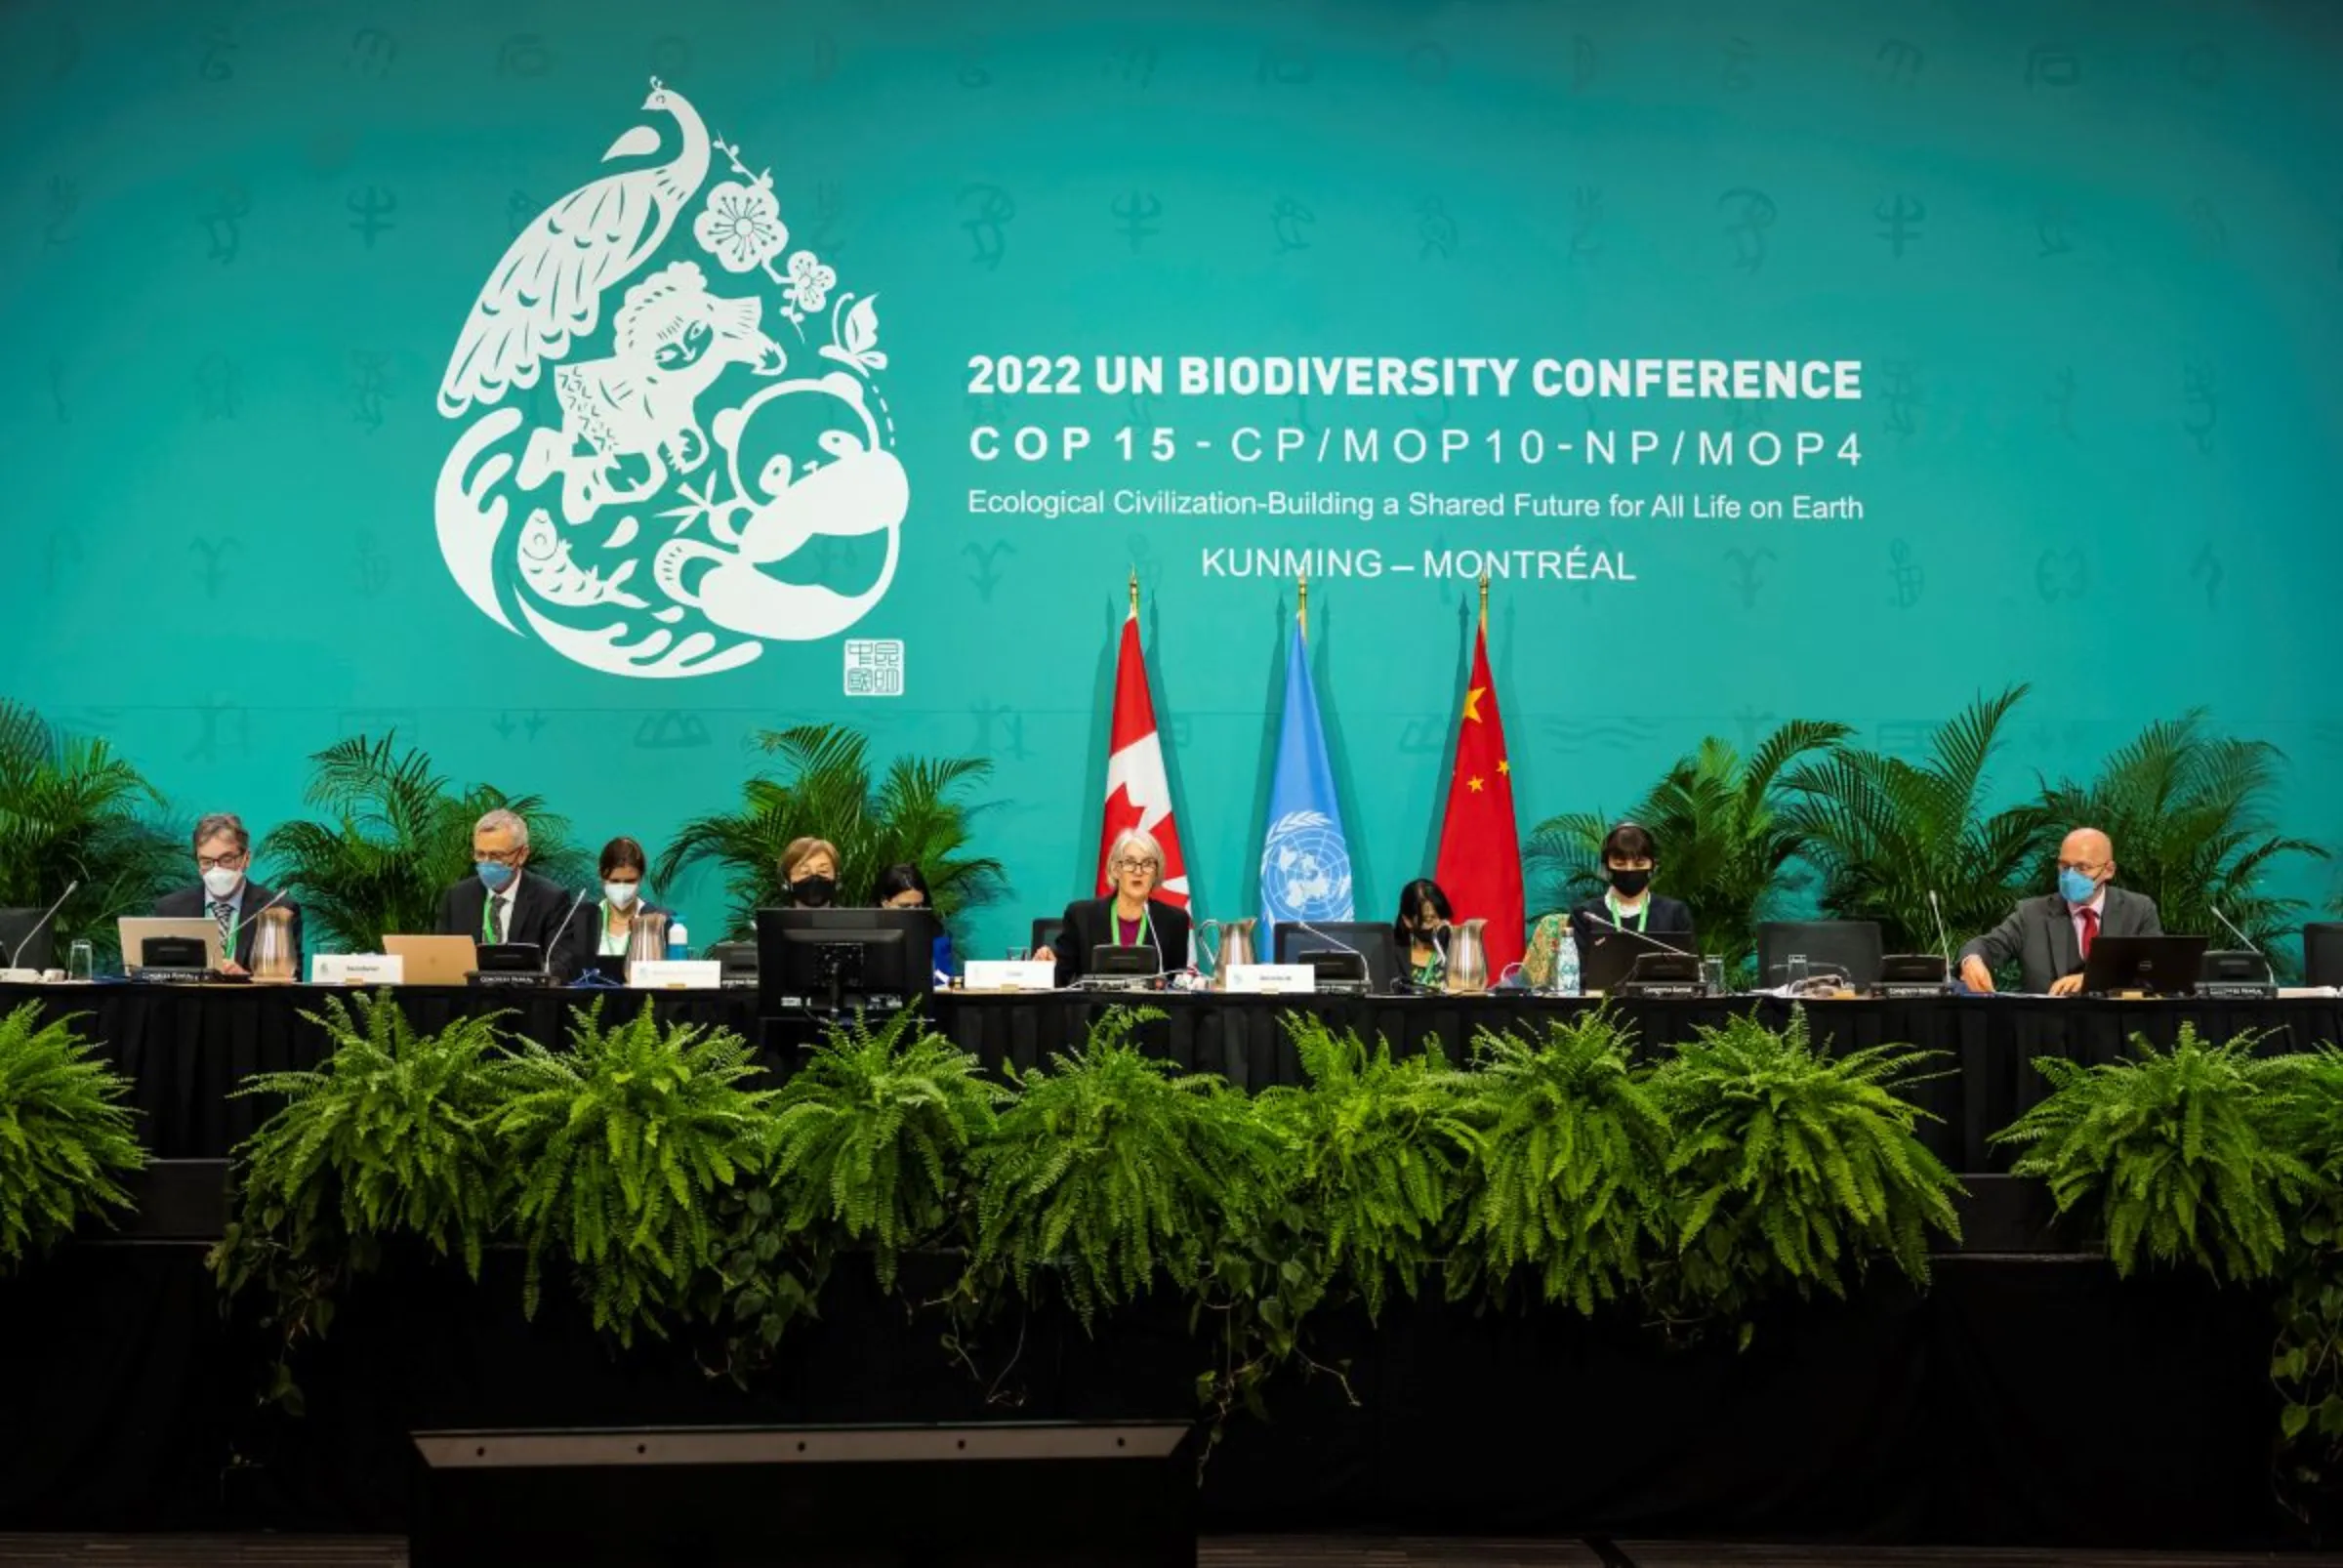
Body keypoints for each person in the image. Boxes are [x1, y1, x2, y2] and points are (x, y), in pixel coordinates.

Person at [1958, 826, 2162, 996]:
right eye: (2064, 867)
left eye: (2083, 868)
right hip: (2047, 1033)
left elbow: (2152, 969)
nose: (2070, 876)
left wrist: (2093, 980)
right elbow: (1986, 945)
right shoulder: (2031, 914)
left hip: (2118, 1032)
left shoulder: (2138, 910)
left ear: (2108, 870)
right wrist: (1972, 960)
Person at [1524, 821, 1695, 986]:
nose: (1629, 869)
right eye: (1620, 863)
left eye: (1639, 863)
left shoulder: (1675, 913)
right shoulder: (1585, 915)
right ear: (1606, 868)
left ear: (1653, 867)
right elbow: (1578, 977)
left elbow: (1691, 972)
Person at [435, 807, 587, 977]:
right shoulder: (457, 897)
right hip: (471, 998)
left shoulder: (550, 899)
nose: (486, 863)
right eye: (480, 854)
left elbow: (560, 965)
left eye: (496, 856)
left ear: (522, 854)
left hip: (525, 998)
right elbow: (441, 960)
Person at [1035, 827, 1191, 987]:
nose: (1138, 871)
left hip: (1151, 1011)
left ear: (1156, 873)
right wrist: (1047, 967)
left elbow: (1176, 984)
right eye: (1130, 862)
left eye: (1148, 864)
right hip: (1094, 1010)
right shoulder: (1081, 916)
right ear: (1115, 869)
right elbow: (1062, 980)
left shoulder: (1174, 921)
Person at [153, 812, 303, 977]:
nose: (216, 870)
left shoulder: (278, 910)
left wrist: (246, 979)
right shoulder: (171, 909)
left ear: (246, 859)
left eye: (226, 860)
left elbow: (292, 982)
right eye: (206, 862)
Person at [590, 836, 671, 961]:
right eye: (615, 881)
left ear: (641, 877)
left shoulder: (661, 921)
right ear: (601, 875)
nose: (622, 888)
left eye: (630, 881)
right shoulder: (583, 920)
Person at [874, 862, 954, 979]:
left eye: (918, 906)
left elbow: (943, 978)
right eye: (905, 906)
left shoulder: (935, 929)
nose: (913, 913)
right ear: (885, 902)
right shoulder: (868, 933)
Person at [1391, 878, 1454, 990]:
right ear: (1407, 920)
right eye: (1428, 919)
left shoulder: (1457, 948)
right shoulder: (1391, 955)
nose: (1438, 924)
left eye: (1441, 916)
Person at [780, 837, 841, 907]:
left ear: (836, 878)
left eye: (823, 871)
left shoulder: (852, 918)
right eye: (805, 872)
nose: (814, 877)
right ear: (787, 881)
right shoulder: (771, 918)